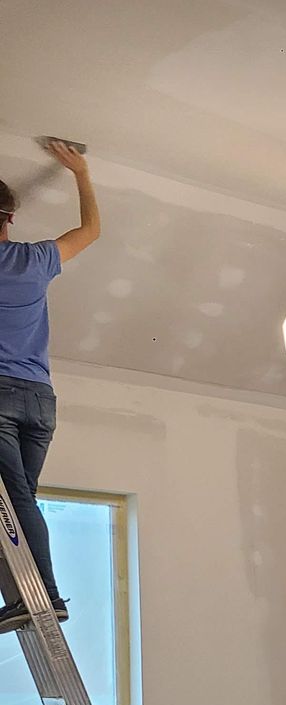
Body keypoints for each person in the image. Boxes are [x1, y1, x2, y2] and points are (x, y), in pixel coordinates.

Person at [0, 140, 100, 625]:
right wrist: (80, 173)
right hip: (39, 403)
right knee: (17, 505)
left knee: (14, 502)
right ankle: (26, 598)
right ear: (10, 220)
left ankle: (46, 598)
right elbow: (91, 231)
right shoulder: (35, 260)